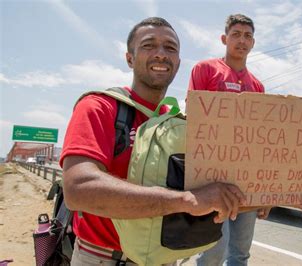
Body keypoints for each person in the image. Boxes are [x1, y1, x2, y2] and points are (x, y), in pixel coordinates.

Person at [60, 17, 247, 266]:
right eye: (149, 45)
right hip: (103, 259)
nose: (161, 54)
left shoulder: (182, 124)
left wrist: (287, 195)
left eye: (170, 48)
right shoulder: (99, 107)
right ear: (129, 58)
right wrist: (185, 201)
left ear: (178, 63)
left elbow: (214, 194)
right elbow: (77, 190)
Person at [188, 14, 302, 266]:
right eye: (236, 34)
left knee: (240, 253)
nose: (242, 40)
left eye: (248, 36)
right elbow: (194, 119)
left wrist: (267, 195)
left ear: (253, 43)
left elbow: (263, 147)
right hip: (212, 180)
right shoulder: (205, 70)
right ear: (224, 38)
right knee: (212, 253)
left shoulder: (257, 86)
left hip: (248, 186)